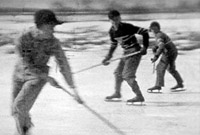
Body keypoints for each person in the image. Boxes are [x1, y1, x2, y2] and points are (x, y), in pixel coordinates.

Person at [11, 9, 82, 135]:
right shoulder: (23, 37)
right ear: (40, 25)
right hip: (20, 74)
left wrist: (73, 89)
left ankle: (23, 131)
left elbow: (64, 64)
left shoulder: (53, 43)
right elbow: (25, 62)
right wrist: (48, 78)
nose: (53, 30)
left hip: (36, 79)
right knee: (16, 111)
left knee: (19, 106)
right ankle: (25, 127)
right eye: (50, 26)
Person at [102, 10, 149, 103]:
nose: (116, 22)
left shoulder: (127, 27)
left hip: (135, 52)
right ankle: (117, 93)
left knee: (128, 75)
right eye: (114, 20)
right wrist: (108, 57)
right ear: (110, 20)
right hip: (126, 53)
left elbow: (145, 32)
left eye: (118, 19)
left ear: (120, 18)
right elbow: (113, 45)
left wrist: (145, 47)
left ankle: (139, 96)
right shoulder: (112, 32)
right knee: (118, 73)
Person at [148, 21, 184, 92]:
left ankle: (158, 86)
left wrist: (156, 56)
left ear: (156, 28)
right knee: (171, 68)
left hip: (168, 53)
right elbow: (162, 44)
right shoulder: (160, 34)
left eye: (153, 29)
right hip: (173, 51)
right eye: (151, 29)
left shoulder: (159, 35)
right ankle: (180, 84)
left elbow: (161, 46)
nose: (152, 31)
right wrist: (155, 47)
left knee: (160, 67)